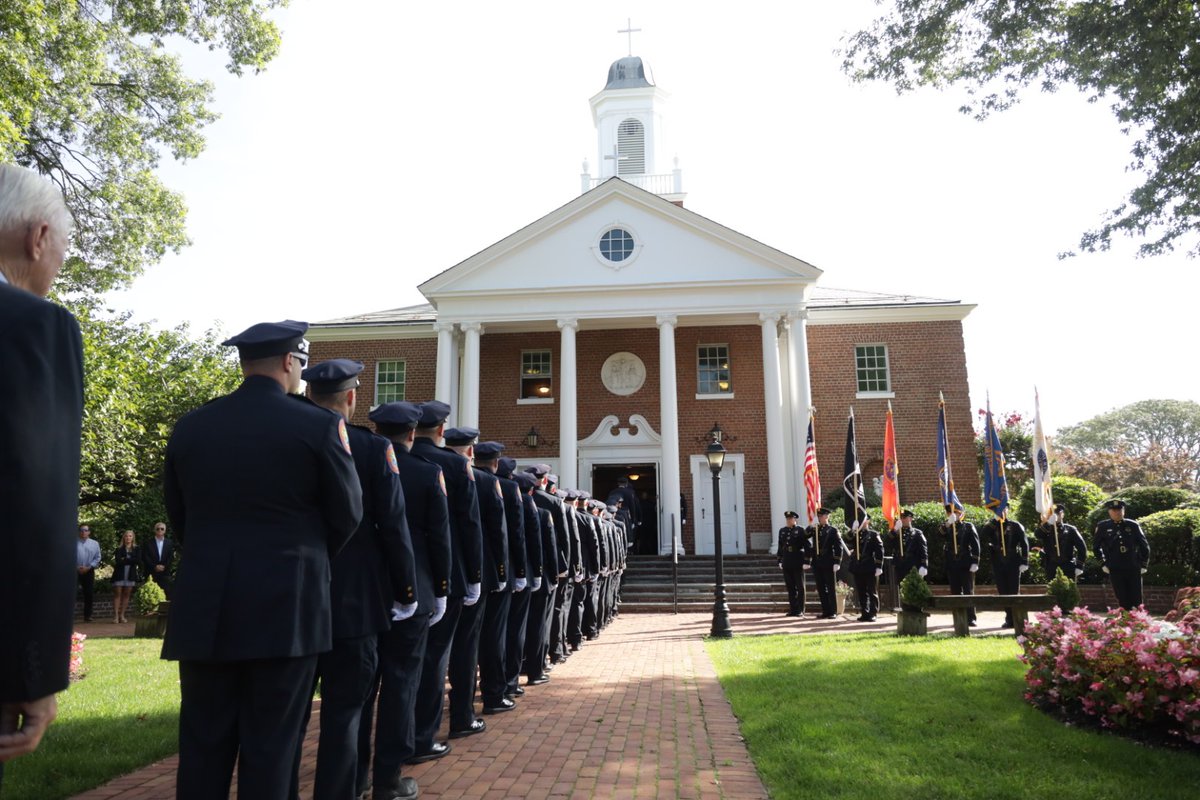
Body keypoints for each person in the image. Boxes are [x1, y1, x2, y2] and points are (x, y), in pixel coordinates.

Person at [161, 320, 363, 800]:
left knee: (203, 746)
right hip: (286, 608)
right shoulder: (318, 424)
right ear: (291, 362)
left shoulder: (192, 426)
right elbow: (348, 513)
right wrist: (305, 559)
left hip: (207, 603)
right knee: (272, 748)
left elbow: (180, 515)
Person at [301, 359, 418, 800]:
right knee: (346, 710)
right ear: (352, 398)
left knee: (287, 713)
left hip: (292, 597)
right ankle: (344, 788)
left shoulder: (291, 437)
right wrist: (405, 590)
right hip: (355, 600)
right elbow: (393, 525)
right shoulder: (371, 449)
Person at [0, 164, 83, 777]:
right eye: (62, 250)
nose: (57, 266)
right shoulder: (34, 326)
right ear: (37, 238)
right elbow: (36, 503)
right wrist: (33, 672)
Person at [358, 401, 452, 800]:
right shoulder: (430, 473)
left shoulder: (357, 464)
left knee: (360, 689)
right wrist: (442, 589)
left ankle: (355, 773)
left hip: (363, 590)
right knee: (401, 685)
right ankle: (388, 778)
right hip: (415, 589)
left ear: (376, 430)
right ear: (413, 434)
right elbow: (440, 539)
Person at [1094, 499, 1150, 610]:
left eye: (1120, 510)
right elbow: (1096, 547)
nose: (1117, 512)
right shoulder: (1102, 526)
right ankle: (1126, 621)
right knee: (1122, 596)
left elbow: (1144, 546)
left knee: (1136, 596)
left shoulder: (1133, 525)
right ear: (1109, 512)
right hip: (1115, 566)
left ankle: (1138, 620)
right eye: (1114, 510)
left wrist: (1143, 564)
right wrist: (1103, 563)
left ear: (1123, 511)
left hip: (1132, 566)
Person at [981, 515, 1030, 628]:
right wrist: (993, 522)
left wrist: (1024, 561)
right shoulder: (992, 526)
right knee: (1002, 591)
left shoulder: (1015, 525)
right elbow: (983, 536)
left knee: (1013, 590)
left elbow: (1024, 543)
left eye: (1003, 509)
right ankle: (1009, 618)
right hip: (998, 562)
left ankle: (1017, 617)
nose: (1001, 511)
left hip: (1013, 561)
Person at [942, 504, 980, 626]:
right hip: (952, 563)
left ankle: (971, 617)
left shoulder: (968, 526)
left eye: (956, 513)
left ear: (961, 514)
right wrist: (948, 524)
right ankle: (958, 617)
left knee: (968, 590)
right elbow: (938, 535)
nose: (953, 515)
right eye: (950, 513)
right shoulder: (947, 526)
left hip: (965, 562)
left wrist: (975, 561)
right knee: (955, 591)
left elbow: (975, 545)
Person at [808, 508, 846, 619]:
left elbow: (839, 547)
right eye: (818, 516)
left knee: (830, 587)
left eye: (821, 516)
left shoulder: (832, 530)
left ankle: (833, 611)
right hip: (817, 562)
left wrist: (837, 561)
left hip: (828, 561)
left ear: (827, 517)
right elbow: (805, 535)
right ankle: (825, 610)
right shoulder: (815, 529)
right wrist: (811, 526)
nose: (820, 518)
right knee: (821, 587)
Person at [1035, 503, 1088, 582]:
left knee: (1069, 591)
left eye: (1058, 514)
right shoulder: (1046, 529)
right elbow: (1037, 535)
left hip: (1068, 565)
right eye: (1053, 514)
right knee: (1052, 591)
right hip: (1051, 566)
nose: (1056, 516)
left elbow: (1082, 548)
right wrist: (1048, 523)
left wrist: (1079, 566)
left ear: (1062, 515)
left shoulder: (1070, 529)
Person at [846, 519, 884, 622]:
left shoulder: (873, 534)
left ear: (868, 522)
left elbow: (879, 551)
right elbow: (847, 539)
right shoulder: (856, 534)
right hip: (858, 566)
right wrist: (853, 530)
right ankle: (865, 612)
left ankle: (873, 613)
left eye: (863, 521)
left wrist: (879, 566)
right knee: (861, 592)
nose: (861, 523)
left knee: (872, 592)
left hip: (869, 566)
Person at [777, 511, 810, 617]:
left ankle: (800, 609)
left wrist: (807, 561)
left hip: (797, 560)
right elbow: (780, 547)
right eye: (787, 519)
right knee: (790, 587)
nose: (788, 520)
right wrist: (780, 560)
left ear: (795, 519)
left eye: (790, 519)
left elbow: (807, 546)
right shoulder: (782, 531)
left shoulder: (801, 530)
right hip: (787, 560)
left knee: (800, 587)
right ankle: (793, 609)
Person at [141, 521, 176, 598]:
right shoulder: (148, 543)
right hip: (151, 572)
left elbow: (170, 557)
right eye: (158, 529)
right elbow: (145, 557)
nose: (160, 530)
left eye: (162, 529)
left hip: (165, 573)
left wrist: (164, 567)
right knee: (150, 596)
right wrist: (154, 566)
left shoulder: (169, 543)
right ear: (155, 530)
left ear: (165, 531)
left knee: (167, 594)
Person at [112, 530, 141, 624]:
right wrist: (130, 559)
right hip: (119, 574)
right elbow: (118, 561)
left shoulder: (137, 549)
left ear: (133, 538)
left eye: (130, 536)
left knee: (127, 595)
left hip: (130, 574)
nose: (128, 538)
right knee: (118, 594)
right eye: (126, 536)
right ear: (123, 538)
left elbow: (137, 560)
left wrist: (126, 559)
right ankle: (116, 616)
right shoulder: (119, 549)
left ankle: (122, 615)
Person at [75, 524, 101, 622]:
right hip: (75, 571)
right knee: (72, 593)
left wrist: (89, 567)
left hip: (89, 570)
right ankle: (68, 615)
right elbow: (68, 555)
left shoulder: (95, 544)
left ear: (89, 532)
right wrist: (76, 567)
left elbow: (98, 557)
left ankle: (88, 616)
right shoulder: (73, 542)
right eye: (81, 530)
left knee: (89, 593)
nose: (83, 532)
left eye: (85, 530)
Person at [893, 509, 928, 582]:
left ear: (910, 518)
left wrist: (924, 565)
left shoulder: (917, 533)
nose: (902, 520)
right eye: (901, 518)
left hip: (913, 566)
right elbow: (887, 544)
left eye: (904, 517)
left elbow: (923, 551)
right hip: (900, 566)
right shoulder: (896, 533)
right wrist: (894, 530)